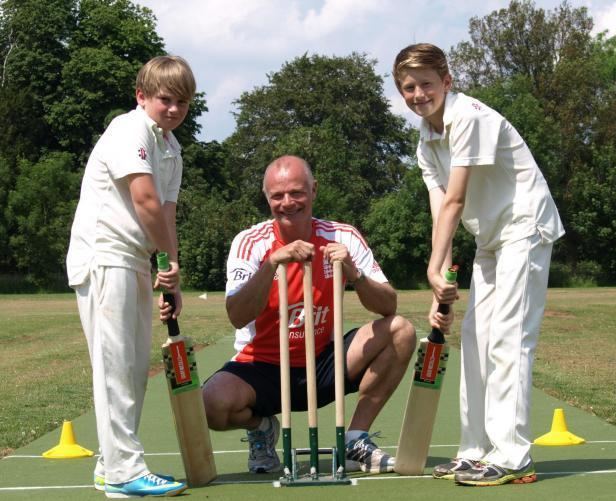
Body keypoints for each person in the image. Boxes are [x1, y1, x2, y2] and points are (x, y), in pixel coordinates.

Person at [392, 43, 565, 486]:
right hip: (490, 239)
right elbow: (438, 209)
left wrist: (433, 269)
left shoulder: (468, 117)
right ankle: (475, 451)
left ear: (446, 83)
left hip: (524, 229)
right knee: (475, 339)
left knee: (507, 339)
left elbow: (456, 197)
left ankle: (513, 457)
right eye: (408, 87)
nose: (417, 94)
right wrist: (441, 276)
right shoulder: (426, 140)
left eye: (426, 84)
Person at [190, 155, 415, 474]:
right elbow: (237, 316)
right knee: (210, 405)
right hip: (263, 365)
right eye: (277, 196)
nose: (288, 203)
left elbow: (388, 305)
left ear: (314, 191)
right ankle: (262, 429)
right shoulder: (250, 242)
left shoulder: (343, 235)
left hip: (324, 360)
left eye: (297, 192)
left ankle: (354, 440)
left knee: (400, 330)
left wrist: (355, 274)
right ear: (266, 198)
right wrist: (271, 264)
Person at [66, 55, 196, 498]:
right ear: (142, 96)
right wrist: (163, 257)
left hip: (137, 260)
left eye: (183, 101)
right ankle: (124, 473)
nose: (174, 109)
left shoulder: (171, 148)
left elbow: (167, 214)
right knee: (116, 367)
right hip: (105, 255)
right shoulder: (130, 129)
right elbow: (143, 200)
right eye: (165, 99)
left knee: (135, 369)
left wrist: (171, 274)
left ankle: (110, 463)